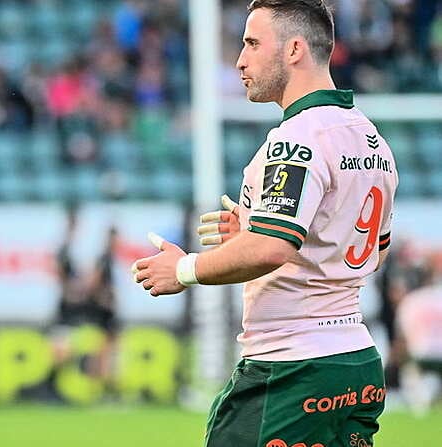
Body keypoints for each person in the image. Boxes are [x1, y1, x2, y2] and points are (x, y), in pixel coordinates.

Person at [132, 1, 398, 446]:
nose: (240, 59)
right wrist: (252, 236)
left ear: (294, 49)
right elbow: (373, 249)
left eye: (252, 43)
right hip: (355, 361)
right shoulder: (370, 139)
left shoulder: (297, 139)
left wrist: (183, 270)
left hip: (292, 367)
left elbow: (274, 248)